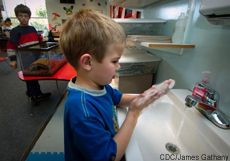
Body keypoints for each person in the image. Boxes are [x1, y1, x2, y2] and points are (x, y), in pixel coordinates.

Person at [59, 9, 172, 161]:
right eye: (114, 61)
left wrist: (144, 98)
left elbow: (118, 98)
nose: (118, 66)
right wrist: (133, 114)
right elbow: (109, 157)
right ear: (88, 62)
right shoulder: (82, 110)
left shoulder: (99, 86)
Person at [7, 4, 51, 101]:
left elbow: (38, 40)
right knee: (31, 76)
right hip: (25, 58)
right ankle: (36, 95)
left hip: (36, 56)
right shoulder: (15, 31)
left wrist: (44, 40)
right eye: (21, 16)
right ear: (17, 17)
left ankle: (31, 93)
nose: (23, 18)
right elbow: (11, 46)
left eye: (26, 16)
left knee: (35, 74)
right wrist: (13, 60)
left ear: (29, 17)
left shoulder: (32, 29)